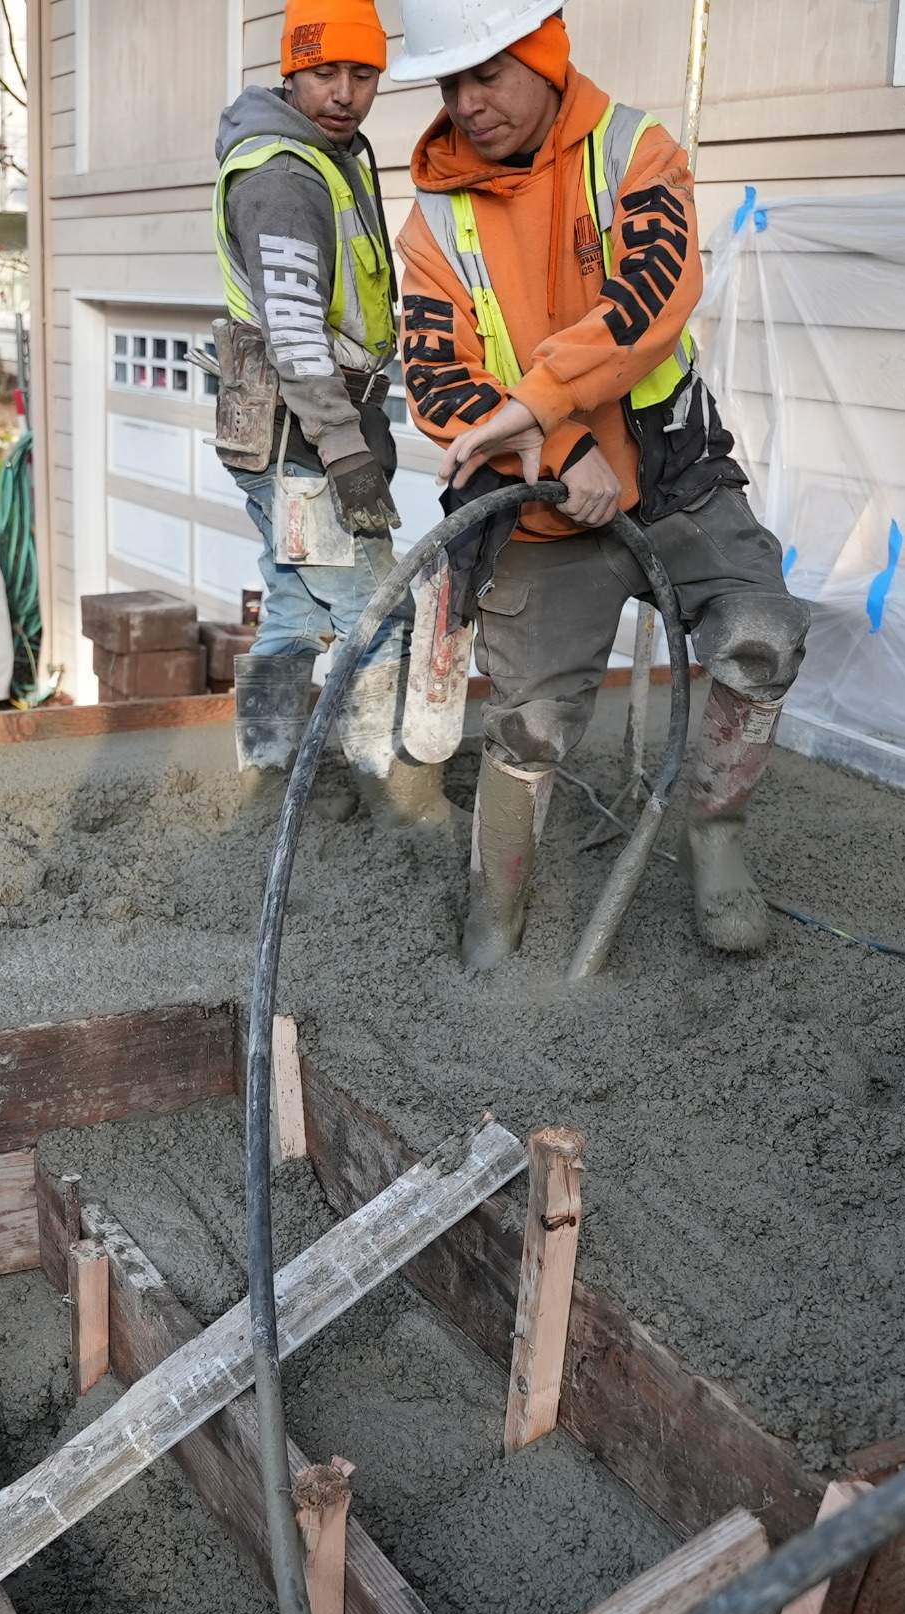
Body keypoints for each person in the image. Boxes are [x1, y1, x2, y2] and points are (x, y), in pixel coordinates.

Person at [389, 1, 809, 970]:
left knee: (763, 638)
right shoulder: (435, 223)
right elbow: (439, 382)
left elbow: (652, 296)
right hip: (543, 510)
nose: (466, 102)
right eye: (449, 83)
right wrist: (556, 446)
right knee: (529, 728)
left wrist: (545, 408)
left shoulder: (632, 154)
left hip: (672, 476)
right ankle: (497, 909)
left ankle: (716, 838)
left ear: (542, 53)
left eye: (486, 73)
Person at [215, 0, 431, 818]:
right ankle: (391, 793)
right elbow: (298, 333)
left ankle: (263, 782)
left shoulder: (329, 153)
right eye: (324, 73)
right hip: (302, 435)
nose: (344, 93)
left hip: (291, 425)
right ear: (291, 71)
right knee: (380, 612)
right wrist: (344, 453)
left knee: (297, 606)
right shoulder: (283, 176)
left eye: (363, 74)